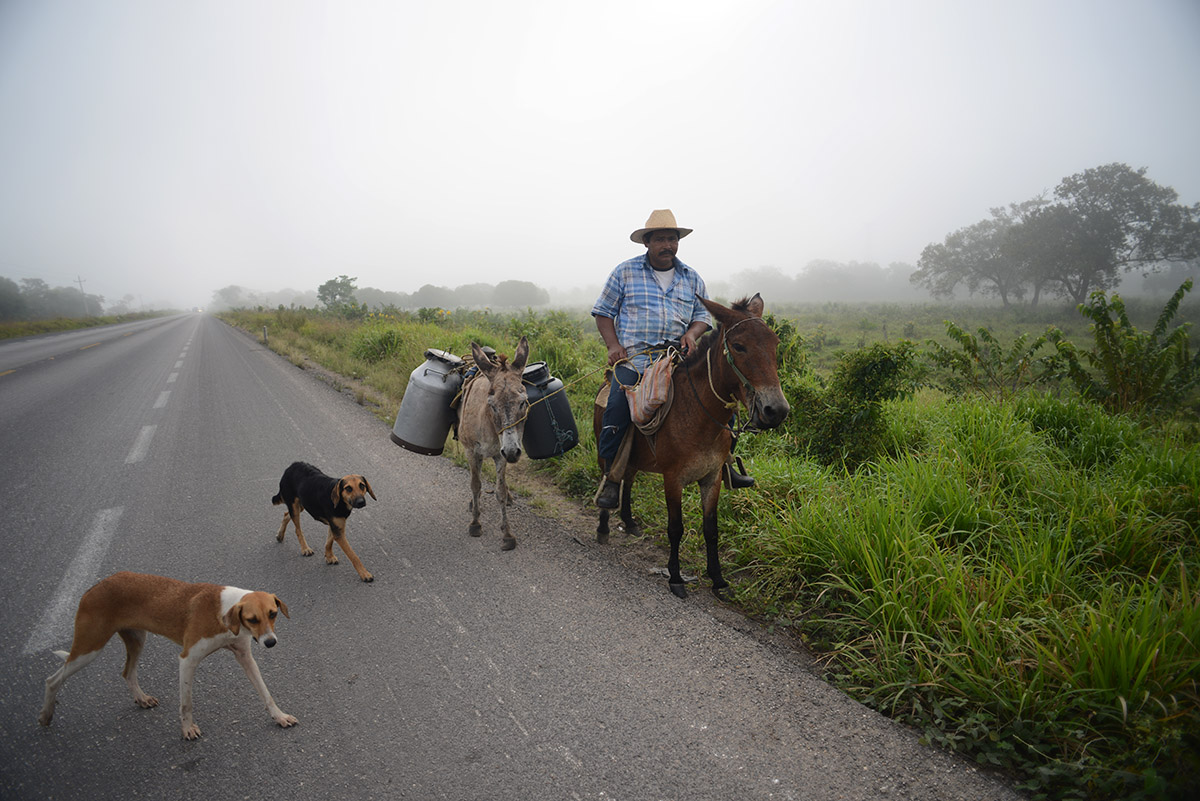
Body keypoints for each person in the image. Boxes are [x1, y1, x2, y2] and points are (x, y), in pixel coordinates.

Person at [591, 209, 752, 510]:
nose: (668, 245)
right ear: (647, 243)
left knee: (722, 398)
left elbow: (702, 317)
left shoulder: (691, 277)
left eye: (672, 239)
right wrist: (613, 345)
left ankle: (726, 465)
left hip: (678, 359)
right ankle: (612, 478)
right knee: (615, 409)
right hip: (636, 359)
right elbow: (603, 312)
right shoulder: (625, 272)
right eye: (661, 239)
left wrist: (692, 335)